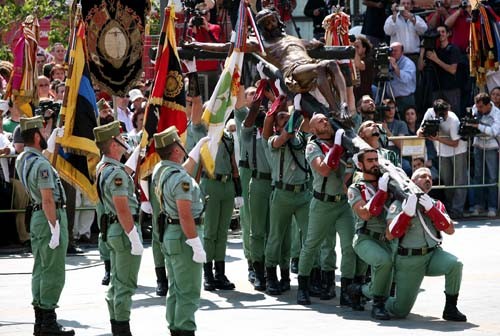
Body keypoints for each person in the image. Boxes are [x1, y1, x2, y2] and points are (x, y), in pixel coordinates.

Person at [184, 8, 349, 118]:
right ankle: (334, 111)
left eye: (272, 21)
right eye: (266, 23)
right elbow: (227, 47)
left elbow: (315, 44)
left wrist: (318, 43)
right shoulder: (262, 44)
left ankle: (343, 106)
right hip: (293, 74)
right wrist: (198, 44)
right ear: (261, 28)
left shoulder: (295, 39)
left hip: (309, 69)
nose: (270, 25)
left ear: (278, 21)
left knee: (331, 64)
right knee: (321, 66)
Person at [15, 116, 74, 335]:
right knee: (53, 270)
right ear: (37, 136)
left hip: (37, 216)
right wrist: (55, 227)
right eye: (44, 131)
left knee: (40, 267)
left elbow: (42, 160)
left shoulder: (24, 158)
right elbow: (48, 198)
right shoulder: (40, 164)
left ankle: (40, 320)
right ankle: (48, 322)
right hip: (49, 214)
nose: (47, 134)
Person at [385, 167, 467, 322]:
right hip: (409, 260)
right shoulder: (399, 203)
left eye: (430, 177)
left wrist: (432, 209)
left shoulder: (435, 203)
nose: (428, 179)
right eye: (423, 176)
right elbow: (390, 234)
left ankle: (450, 308)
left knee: (455, 265)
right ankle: (371, 294)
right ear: (412, 181)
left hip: (432, 254)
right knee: (400, 311)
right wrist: (406, 214)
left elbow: (450, 230)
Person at [296, 113, 359, 306]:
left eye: (326, 119)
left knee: (349, 246)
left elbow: (352, 165)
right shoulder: (313, 146)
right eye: (320, 121)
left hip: (342, 203)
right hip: (322, 203)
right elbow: (323, 169)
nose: (325, 121)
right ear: (313, 129)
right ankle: (303, 288)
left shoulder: (344, 139)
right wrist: (337, 147)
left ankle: (347, 290)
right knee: (311, 246)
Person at [151, 126, 208, 336]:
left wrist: (197, 148)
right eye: (179, 144)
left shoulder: (161, 170)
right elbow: (185, 215)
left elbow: (182, 168)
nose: (182, 146)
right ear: (175, 149)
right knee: (189, 291)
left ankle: (175, 328)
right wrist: (196, 244)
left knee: (176, 288)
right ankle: (184, 329)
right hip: (184, 236)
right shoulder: (181, 179)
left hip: (171, 234)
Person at [93, 121, 143, 335]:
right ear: (113, 145)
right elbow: (123, 209)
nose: (124, 142)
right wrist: (134, 237)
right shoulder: (116, 173)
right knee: (125, 284)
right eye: (121, 139)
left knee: (116, 281)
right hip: (124, 230)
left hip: (114, 229)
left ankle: (117, 324)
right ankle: (122, 329)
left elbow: (122, 173)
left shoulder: (105, 167)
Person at [262, 93, 312, 296]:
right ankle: (271, 276)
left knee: (309, 237)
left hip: (303, 195)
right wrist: (296, 108)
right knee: (276, 237)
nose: (285, 118)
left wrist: (304, 102)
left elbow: (307, 126)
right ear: (276, 125)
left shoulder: (302, 138)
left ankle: (305, 278)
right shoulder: (274, 139)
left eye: (287, 116)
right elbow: (286, 135)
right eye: (281, 117)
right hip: (282, 194)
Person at [347, 148, 393, 319]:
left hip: (388, 238)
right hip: (365, 238)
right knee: (384, 262)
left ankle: (358, 290)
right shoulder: (355, 188)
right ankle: (378, 305)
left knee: (395, 268)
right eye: (370, 160)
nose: (375, 164)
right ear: (360, 165)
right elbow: (365, 213)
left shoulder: (389, 182)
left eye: (376, 160)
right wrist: (381, 193)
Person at [417, 99, 467, 218]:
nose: (442, 116)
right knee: (447, 181)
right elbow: (419, 132)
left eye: (444, 114)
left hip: (458, 151)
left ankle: (457, 210)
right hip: (442, 153)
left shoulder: (453, 119)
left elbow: (455, 142)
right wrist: (425, 131)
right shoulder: (429, 113)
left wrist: (437, 138)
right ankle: (448, 208)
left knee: (459, 181)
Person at [467, 93, 500, 217]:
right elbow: (470, 118)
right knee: (478, 176)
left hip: (492, 147)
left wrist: (477, 126)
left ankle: (492, 207)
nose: (478, 109)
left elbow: (494, 131)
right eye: (477, 106)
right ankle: (478, 206)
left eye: (481, 107)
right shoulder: (476, 108)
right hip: (478, 146)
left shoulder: (497, 113)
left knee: (492, 177)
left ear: (488, 105)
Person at [418, 25, 462, 114]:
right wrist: (422, 52)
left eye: (443, 32)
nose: (441, 34)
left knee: (453, 114)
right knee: (436, 114)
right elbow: (420, 67)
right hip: (436, 89)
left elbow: (453, 70)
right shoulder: (434, 50)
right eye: (438, 32)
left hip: (451, 88)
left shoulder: (453, 49)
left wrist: (436, 59)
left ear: (448, 34)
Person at [388, 42, 417, 116]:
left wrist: (395, 66)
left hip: (405, 99)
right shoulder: (388, 62)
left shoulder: (408, 63)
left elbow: (406, 79)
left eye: (396, 51)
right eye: (392, 50)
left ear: (402, 52)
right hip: (391, 99)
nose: (393, 53)